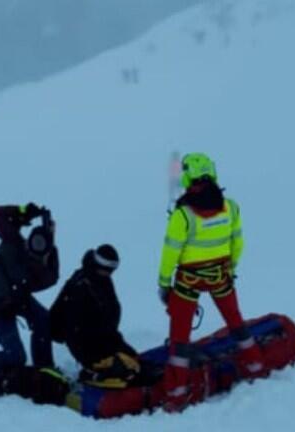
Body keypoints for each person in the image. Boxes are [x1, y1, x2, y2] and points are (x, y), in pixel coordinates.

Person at [158, 153, 264, 412]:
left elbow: (170, 252)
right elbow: (237, 243)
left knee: (180, 338)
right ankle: (255, 368)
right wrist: (229, 268)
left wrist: (164, 283)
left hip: (187, 281)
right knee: (236, 323)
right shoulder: (231, 207)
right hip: (221, 277)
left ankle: (177, 394)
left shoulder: (182, 215)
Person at [0, 203, 59, 393]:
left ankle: (44, 370)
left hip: (17, 297)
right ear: (29, 240)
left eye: (42, 247)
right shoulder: (13, 241)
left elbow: (51, 278)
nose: (36, 249)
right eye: (35, 243)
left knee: (44, 321)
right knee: (16, 357)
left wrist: (51, 249)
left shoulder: (41, 269)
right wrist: (24, 211)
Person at [50, 244, 141, 388]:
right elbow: (75, 329)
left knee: (134, 360)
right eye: (109, 269)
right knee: (122, 369)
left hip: (105, 337)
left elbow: (110, 313)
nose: (110, 273)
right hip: (85, 344)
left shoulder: (102, 280)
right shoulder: (80, 285)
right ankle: (92, 374)